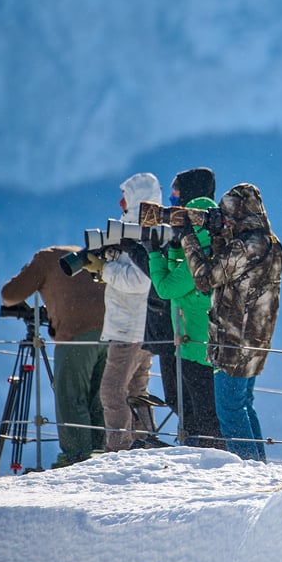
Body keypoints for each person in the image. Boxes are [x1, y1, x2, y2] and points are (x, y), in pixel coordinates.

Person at [181, 183, 282, 461]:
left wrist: (187, 238)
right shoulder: (269, 242)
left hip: (234, 339)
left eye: (227, 216)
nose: (224, 220)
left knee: (229, 410)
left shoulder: (246, 246)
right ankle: (259, 466)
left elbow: (204, 279)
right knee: (244, 405)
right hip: (256, 337)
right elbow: (230, 273)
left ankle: (248, 469)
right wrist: (218, 237)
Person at [127, 167, 216, 433]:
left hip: (192, 336)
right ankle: (202, 447)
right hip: (187, 333)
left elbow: (166, 286)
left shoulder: (200, 237)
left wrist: (148, 251)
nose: (171, 203)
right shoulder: (207, 230)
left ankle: (205, 452)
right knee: (193, 405)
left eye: (176, 197)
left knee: (197, 408)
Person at [1, 247, 108, 468]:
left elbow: (10, 295)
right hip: (112, 331)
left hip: (76, 332)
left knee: (71, 395)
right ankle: (101, 453)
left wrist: (28, 275)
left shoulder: (45, 258)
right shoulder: (84, 255)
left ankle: (76, 457)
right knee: (99, 396)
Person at [83, 172, 162, 451]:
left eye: (126, 197)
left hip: (130, 327)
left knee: (112, 390)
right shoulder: (147, 230)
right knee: (136, 390)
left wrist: (104, 269)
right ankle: (143, 441)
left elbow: (140, 280)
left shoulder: (139, 233)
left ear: (136, 199)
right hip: (142, 326)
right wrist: (111, 257)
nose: (120, 202)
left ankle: (118, 447)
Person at [147, 195, 224, 449]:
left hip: (194, 345)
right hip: (208, 342)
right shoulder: (214, 249)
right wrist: (176, 249)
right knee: (207, 409)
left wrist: (154, 255)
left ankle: (209, 456)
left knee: (201, 413)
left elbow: (166, 288)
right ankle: (208, 451)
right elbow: (178, 282)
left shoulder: (199, 258)